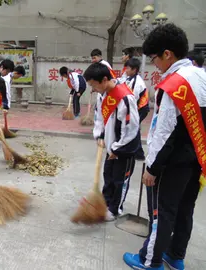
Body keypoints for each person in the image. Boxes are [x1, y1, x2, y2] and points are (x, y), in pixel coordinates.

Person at [123, 23, 206, 270]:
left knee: (162, 212)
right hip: (197, 159)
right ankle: (175, 255)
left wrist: (153, 167)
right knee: (184, 209)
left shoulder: (174, 85)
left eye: (155, 58)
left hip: (172, 162)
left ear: (168, 54)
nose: (155, 64)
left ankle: (151, 260)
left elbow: (166, 132)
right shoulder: (202, 75)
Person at [84, 62, 140, 221]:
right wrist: (100, 135)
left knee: (119, 180)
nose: (93, 89)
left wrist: (117, 148)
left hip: (124, 149)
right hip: (110, 146)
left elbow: (131, 127)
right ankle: (105, 203)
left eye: (93, 85)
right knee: (108, 176)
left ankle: (115, 209)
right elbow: (100, 118)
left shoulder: (125, 97)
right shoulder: (102, 95)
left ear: (104, 80)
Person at [124, 58, 150, 161]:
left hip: (141, 109)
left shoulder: (137, 82)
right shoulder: (129, 79)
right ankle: (137, 152)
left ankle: (138, 153)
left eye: (128, 68)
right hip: (136, 108)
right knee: (134, 128)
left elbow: (132, 99)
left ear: (134, 69)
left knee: (133, 128)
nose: (126, 70)